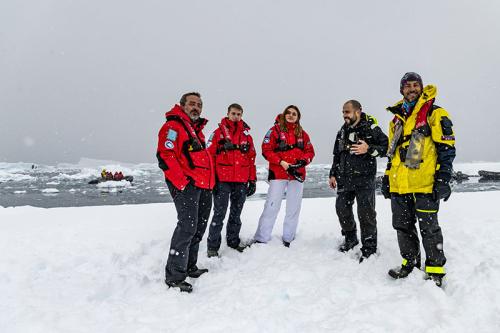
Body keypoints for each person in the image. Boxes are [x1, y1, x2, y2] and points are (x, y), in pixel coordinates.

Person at [382, 72, 456, 287]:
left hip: (425, 183)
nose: (412, 89)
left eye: (416, 85)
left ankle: (434, 269)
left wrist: (443, 179)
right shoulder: (396, 119)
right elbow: (392, 154)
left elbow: (447, 149)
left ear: (421, 88)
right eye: (407, 86)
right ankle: (410, 263)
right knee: (402, 226)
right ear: (401, 90)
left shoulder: (435, 113)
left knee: (429, 228)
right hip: (400, 184)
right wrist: (387, 178)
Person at [156, 92, 215, 293]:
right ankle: (174, 276)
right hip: (188, 185)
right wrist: (183, 183)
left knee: (199, 226)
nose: (196, 107)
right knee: (187, 227)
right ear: (182, 106)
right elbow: (166, 156)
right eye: (191, 103)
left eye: (199, 104)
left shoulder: (196, 131)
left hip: (203, 186)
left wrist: (208, 184)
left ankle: (190, 266)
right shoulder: (173, 127)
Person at [329, 100, 388, 262]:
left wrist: (368, 149)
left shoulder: (371, 128)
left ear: (358, 112)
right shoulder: (342, 130)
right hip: (344, 179)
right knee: (342, 209)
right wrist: (332, 174)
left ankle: (369, 247)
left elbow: (386, 147)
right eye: (343, 112)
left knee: (366, 214)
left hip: (365, 179)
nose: (344, 115)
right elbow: (337, 154)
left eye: (347, 112)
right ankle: (350, 238)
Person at [253, 105, 315, 247]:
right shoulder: (274, 131)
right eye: (288, 113)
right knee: (272, 206)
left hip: (297, 175)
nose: (291, 115)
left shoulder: (303, 134)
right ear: (284, 114)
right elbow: (266, 150)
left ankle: (289, 238)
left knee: (293, 208)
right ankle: (261, 238)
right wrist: (281, 162)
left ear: (298, 117)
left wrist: (302, 162)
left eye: (294, 114)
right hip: (278, 174)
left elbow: (310, 152)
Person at [206, 103, 257, 258]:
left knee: (236, 213)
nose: (236, 116)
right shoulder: (217, 134)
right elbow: (209, 156)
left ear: (242, 115)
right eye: (233, 113)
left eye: (239, 114)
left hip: (240, 180)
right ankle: (213, 247)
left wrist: (252, 180)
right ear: (228, 114)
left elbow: (251, 158)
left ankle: (233, 241)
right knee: (219, 213)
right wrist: (212, 180)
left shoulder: (247, 136)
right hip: (222, 180)